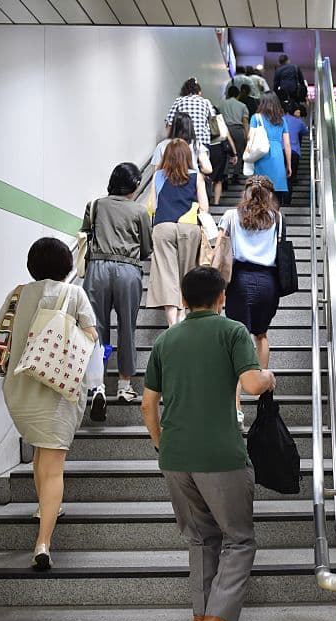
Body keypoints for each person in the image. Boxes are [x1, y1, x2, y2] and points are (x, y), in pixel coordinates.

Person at [141, 266, 277, 621]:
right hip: (221, 455)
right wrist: (268, 376)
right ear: (222, 299)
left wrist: (159, 444)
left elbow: (147, 406)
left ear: (182, 300)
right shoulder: (232, 331)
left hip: (175, 457)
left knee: (200, 538)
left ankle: (201, 617)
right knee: (239, 538)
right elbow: (251, 385)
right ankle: (220, 616)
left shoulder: (166, 341)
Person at [0, 237, 97, 570]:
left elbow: (0, 334)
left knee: (40, 450)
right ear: (67, 265)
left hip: (20, 385)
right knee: (54, 463)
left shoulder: (17, 294)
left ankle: (44, 507)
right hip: (58, 385)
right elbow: (92, 338)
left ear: (32, 265)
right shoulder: (74, 294)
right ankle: (43, 543)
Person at [80, 162, 152, 415]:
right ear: (134, 185)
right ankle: (124, 385)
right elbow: (146, 249)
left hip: (97, 270)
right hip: (127, 271)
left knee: (95, 330)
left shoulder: (96, 205)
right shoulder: (140, 211)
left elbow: (84, 234)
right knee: (126, 328)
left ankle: (97, 386)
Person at [219, 175, 282, 426]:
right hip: (268, 282)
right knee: (261, 335)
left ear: (246, 192)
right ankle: (262, 397)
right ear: (270, 195)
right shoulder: (277, 218)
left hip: (239, 281)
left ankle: (236, 409)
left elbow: (219, 250)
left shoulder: (230, 216)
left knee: (237, 341)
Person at [146, 139, 210, 327]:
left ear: (166, 157)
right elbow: (204, 208)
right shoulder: (197, 176)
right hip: (189, 227)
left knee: (167, 274)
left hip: (163, 226)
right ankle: (184, 316)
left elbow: (153, 206)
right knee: (188, 273)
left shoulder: (158, 176)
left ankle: (173, 323)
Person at [247, 93, 292, 205]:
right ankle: (274, 216)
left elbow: (250, 137)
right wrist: (289, 165)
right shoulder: (282, 120)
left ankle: (262, 214)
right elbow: (287, 144)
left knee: (261, 187)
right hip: (277, 155)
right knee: (275, 188)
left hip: (261, 153)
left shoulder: (256, 118)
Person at [153, 112, 212, 176]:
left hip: (168, 181)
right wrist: (196, 170)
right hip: (190, 180)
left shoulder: (162, 145)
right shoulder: (196, 145)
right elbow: (208, 169)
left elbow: (157, 170)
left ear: (173, 127)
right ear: (190, 127)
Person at [164, 77, 214, 152]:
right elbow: (213, 119)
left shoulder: (179, 100)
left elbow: (170, 123)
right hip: (203, 141)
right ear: (198, 91)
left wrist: (168, 141)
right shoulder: (206, 102)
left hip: (183, 142)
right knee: (203, 162)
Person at [208, 106, 239, 206]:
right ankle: (216, 202)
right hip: (219, 150)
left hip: (206, 149)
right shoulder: (219, 121)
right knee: (218, 178)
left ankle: (206, 201)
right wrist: (234, 154)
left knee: (207, 178)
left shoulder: (203, 121)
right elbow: (228, 137)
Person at [220, 86, 250, 182]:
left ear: (228, 94)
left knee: (225, 153)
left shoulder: (221, 105)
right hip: (238, 130)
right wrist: (247, 135)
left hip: (224, 130)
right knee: (239, 153)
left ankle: (224, 175)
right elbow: (245, 122)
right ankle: (235, 175)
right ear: (238, 94)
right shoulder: (242, 106)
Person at [282, 103, 308, 198]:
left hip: (281, 150)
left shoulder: (281, 119)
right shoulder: (299, 122)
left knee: (280, 175)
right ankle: (287, 199)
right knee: (290, 176)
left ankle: (278, 199)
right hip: (294, 151)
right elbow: (305, 132)